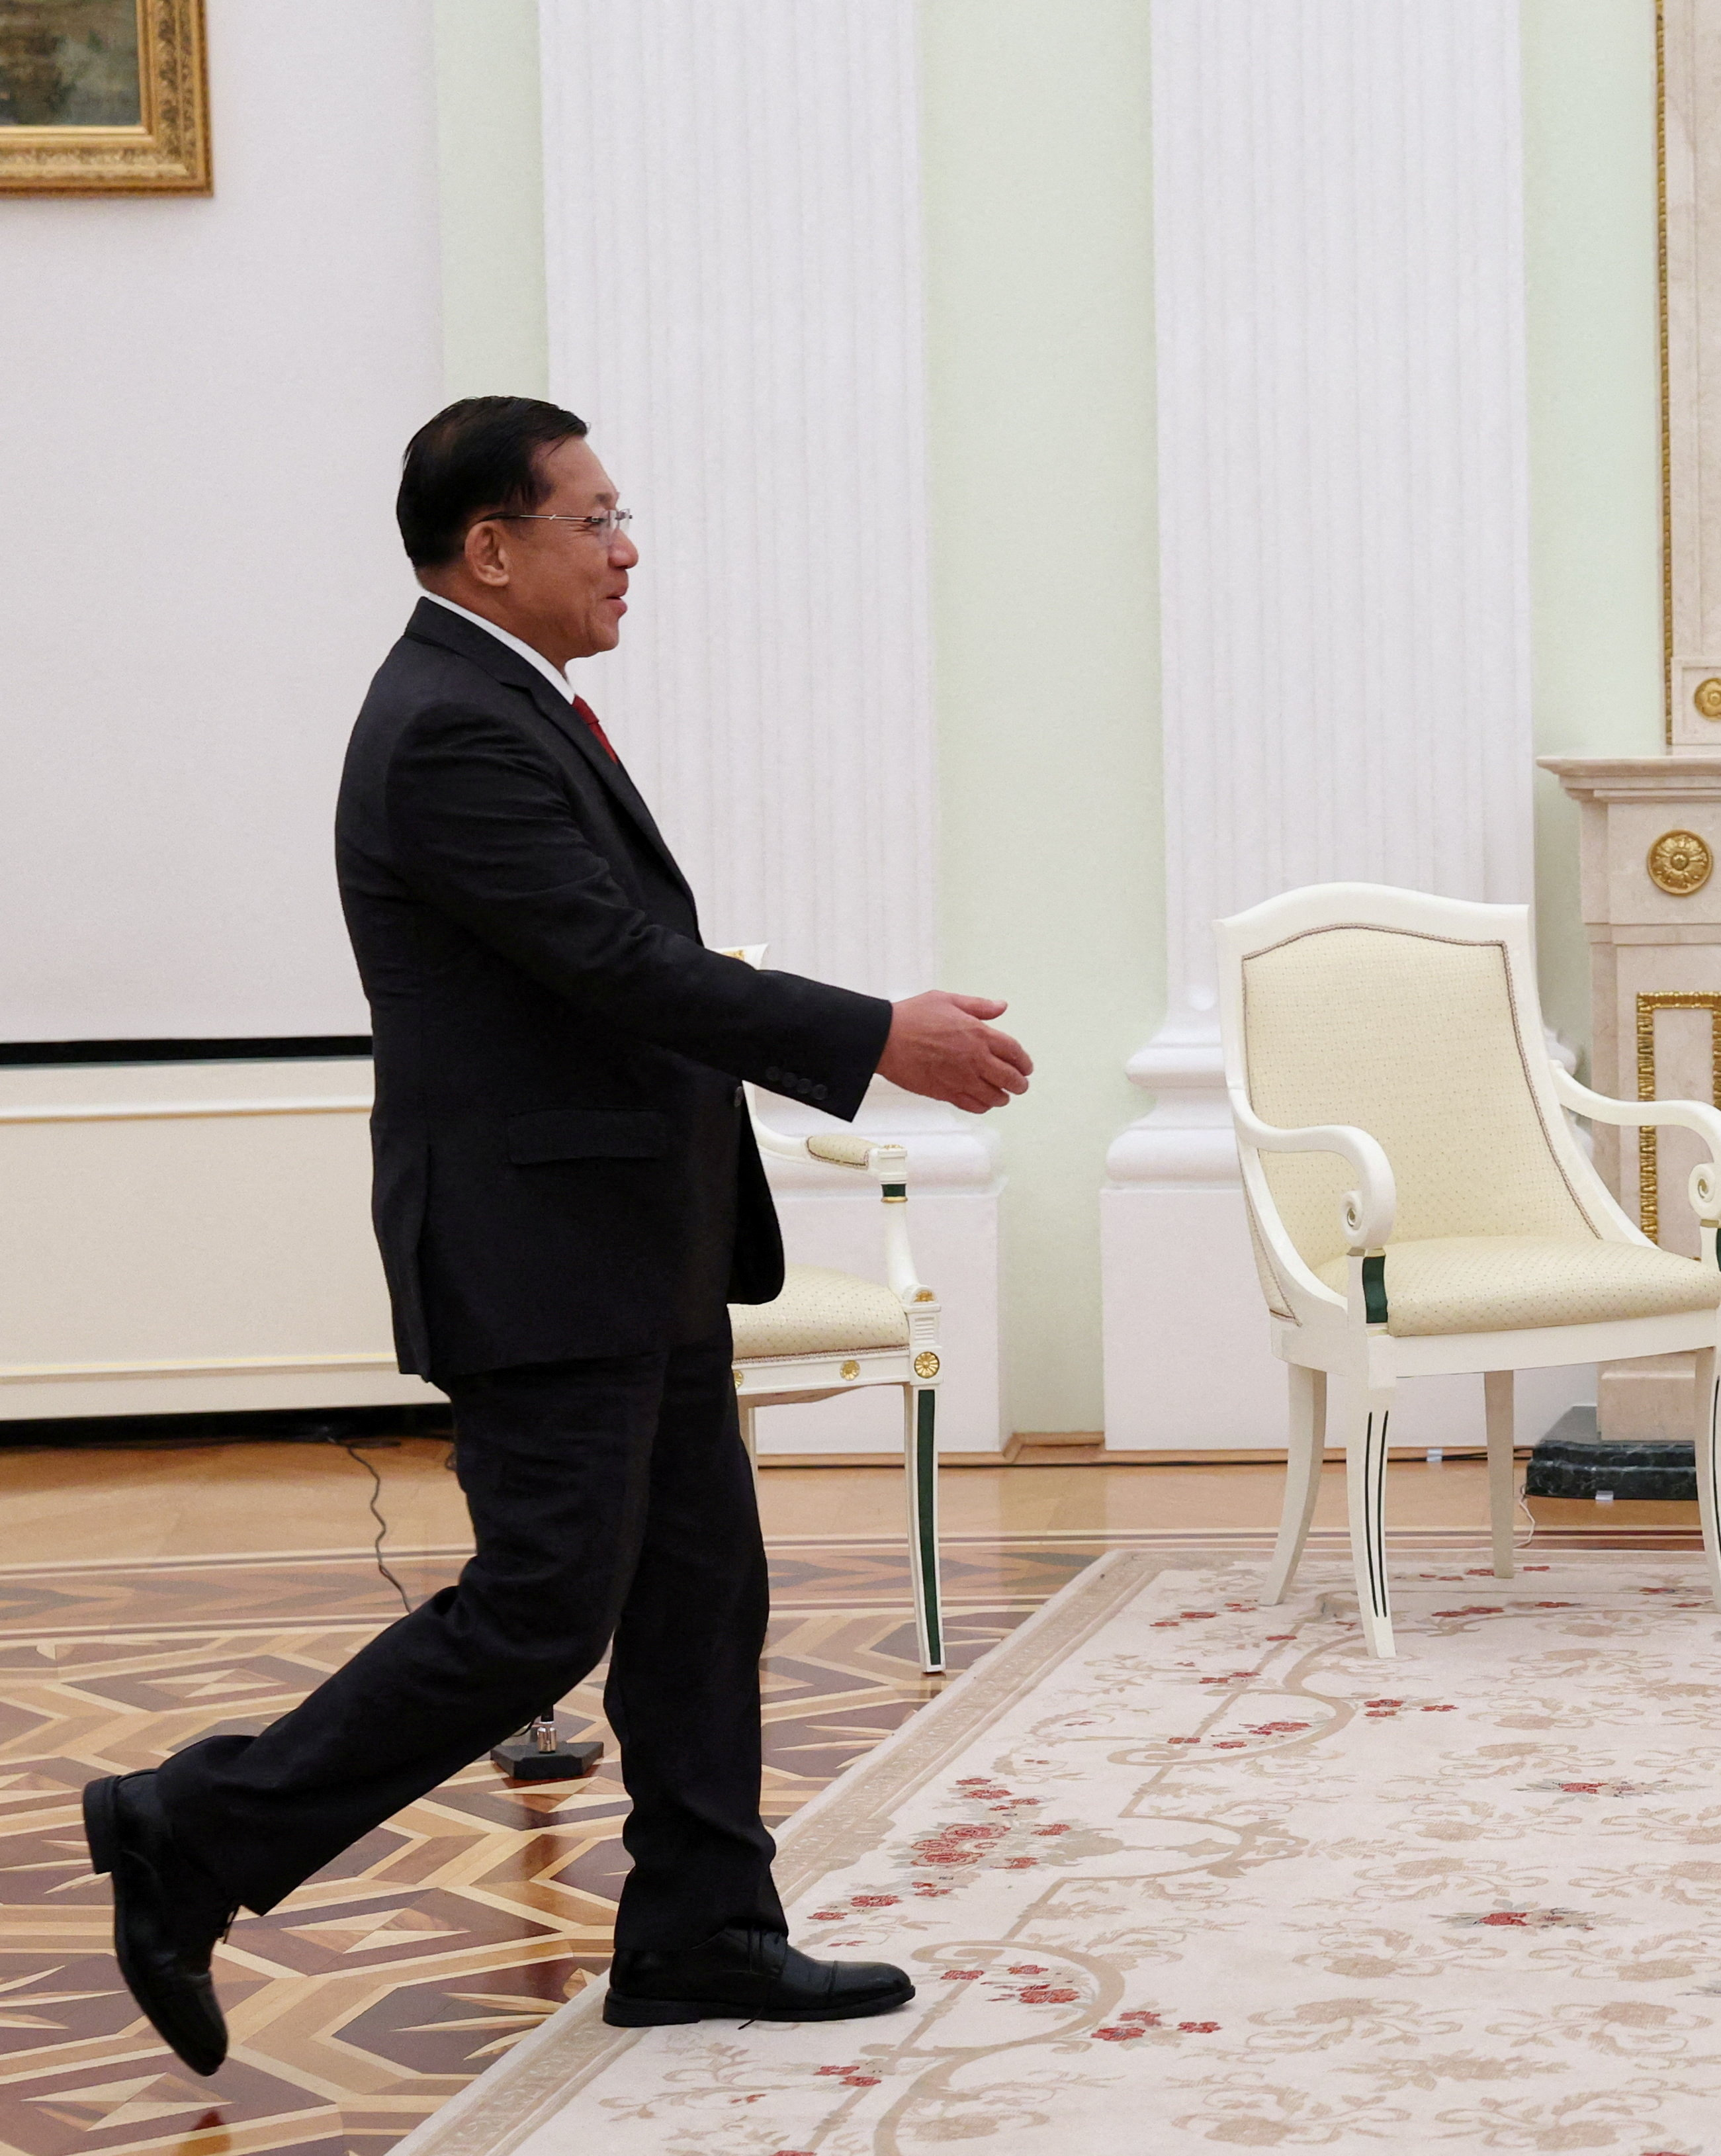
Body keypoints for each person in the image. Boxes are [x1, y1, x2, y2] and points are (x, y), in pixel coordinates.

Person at [81, 397, 1036, 2074]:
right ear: (492, 548)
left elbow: (611, 972)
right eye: (595, 519)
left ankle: (702, 1931)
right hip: (538, 1252)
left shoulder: (509, 704)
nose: (628, 548)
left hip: (623, 1234)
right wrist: (872, 1033)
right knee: (540, 1611)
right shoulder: (452, 725)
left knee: (697, 1593)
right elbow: (621, 964)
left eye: (622, 514)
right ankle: (191, 1825)